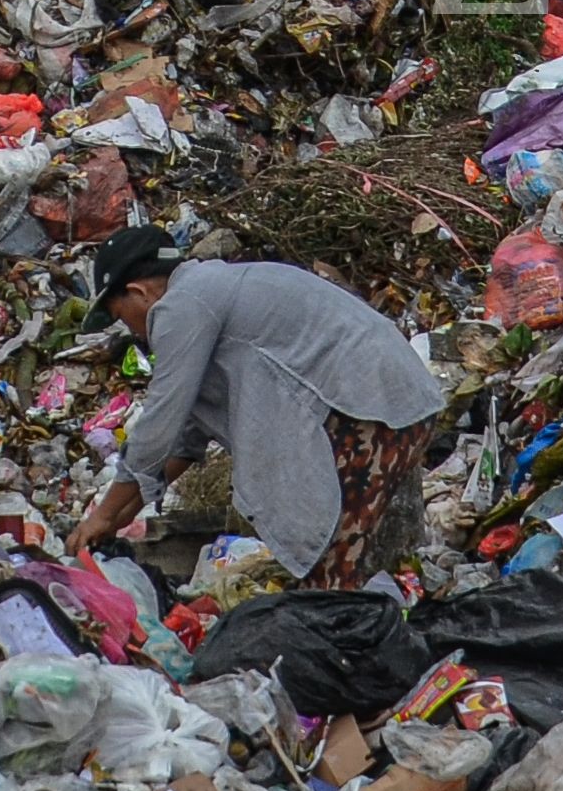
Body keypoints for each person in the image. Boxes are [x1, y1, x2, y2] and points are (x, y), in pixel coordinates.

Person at [71, 226, 447, 585]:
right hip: (391, 399)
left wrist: (101, 515)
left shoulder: (183, 303)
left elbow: (160, 424)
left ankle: (354, 644)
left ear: (140, 292)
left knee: (328, 569)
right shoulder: (213, 292)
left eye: (123, 316)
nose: (134, 332)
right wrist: (123, 515)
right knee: (358, 566)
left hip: (367, 410)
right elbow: (184, 440)